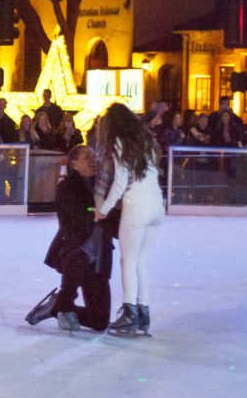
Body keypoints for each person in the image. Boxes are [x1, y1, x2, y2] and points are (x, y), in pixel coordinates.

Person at [26, 144, 112, 332]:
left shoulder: (101, 186)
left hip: (101, 257)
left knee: (100, 322)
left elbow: (110, 216)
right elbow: (74, 219)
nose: (93, 161)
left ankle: (56, 308)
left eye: (93, 157)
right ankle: (62, 305)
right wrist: (97, 212)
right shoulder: (67, 187)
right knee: (70, 292)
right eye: (87, 158)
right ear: (74, 163)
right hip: (77, 253)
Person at [96, 102, 165, 335]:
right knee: (141, 260)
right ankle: (143, 312)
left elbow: (120, 182)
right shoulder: (146, 140)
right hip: (157, 204)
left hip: (137, 206)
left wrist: (103, 210)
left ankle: (129, 313)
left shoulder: (119, 143)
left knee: (128, 261)